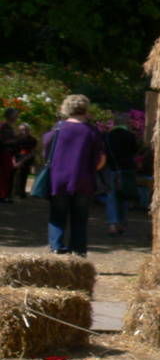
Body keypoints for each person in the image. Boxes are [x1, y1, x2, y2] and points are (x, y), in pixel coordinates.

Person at [42, 95, 106, 256]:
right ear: (86, 109)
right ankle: (78, 252)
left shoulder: (58, 128)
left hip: (58, 179)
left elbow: (45, 152)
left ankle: (56, 247)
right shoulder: (92, 131)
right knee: (80, 219)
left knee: (57, 215)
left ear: (66, 108)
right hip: (83, 180)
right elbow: (100, 159)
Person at [102, 114, 140, 235]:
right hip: (127, 170)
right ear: (126, 123)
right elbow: (135, 150)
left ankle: (112, 224)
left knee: (112, 196)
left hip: (113, 169)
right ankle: (122, 223)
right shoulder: (130, 136)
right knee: (124, 196)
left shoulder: (108, 136)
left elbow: (105, 153)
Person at [10, 124, 37, 199]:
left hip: (26, 158)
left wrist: (21, 162)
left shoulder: (32, 140)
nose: (23, 132)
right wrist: (14, 161)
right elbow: (12, 152)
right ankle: (10, 192)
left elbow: (32, 153)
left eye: (25, 130)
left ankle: (21, 192)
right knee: (11, 173)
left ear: (29, 130)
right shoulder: (16, 140)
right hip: (16, 157)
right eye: (21, 130)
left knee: (23, 171)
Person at [0, 107, 19, 202]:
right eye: (15, 114)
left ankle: (5, 195)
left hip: (10, 153)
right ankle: (2, 196)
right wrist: (17, 140)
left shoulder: (11, 127)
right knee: (4, 174)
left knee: (7, 175)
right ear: (10, 116)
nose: (17, 116)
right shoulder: (4, 127)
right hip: (4, 152)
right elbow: (3, 141)